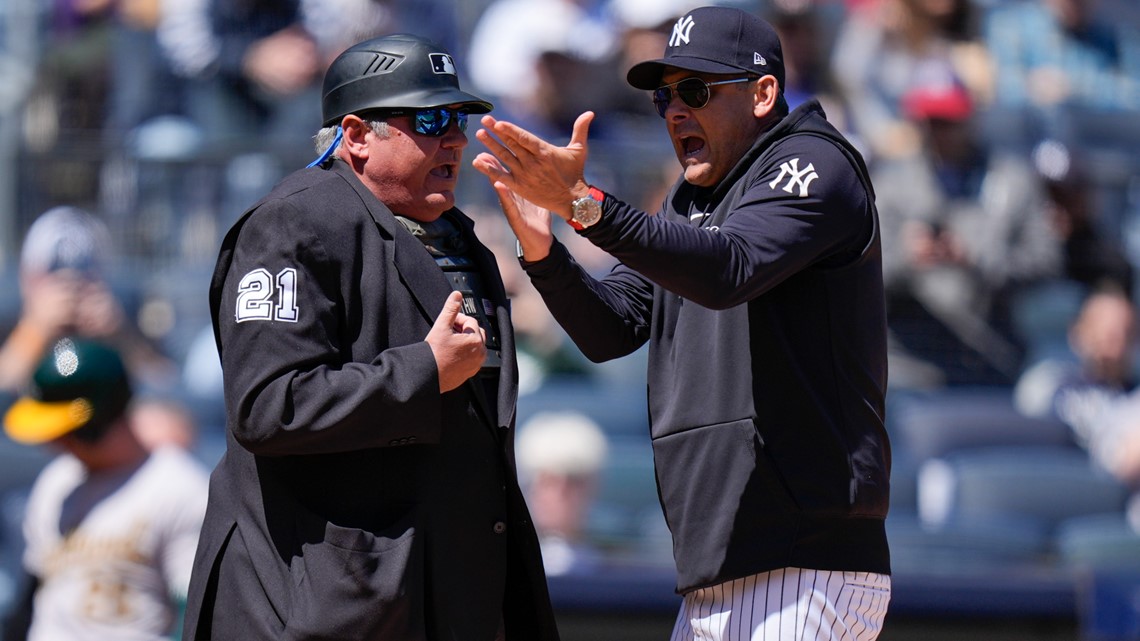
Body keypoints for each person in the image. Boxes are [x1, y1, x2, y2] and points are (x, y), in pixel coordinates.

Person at [473, 6, 892, 640]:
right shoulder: (691, 197)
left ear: (762, 93)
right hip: (722, 558)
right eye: (664, 95)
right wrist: (545, 252)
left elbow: (730, 269)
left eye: (695, 90)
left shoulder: (814, 163)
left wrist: (585, 204)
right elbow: (612, 328)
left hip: (804, 553)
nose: (673, 109)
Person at [181, 34, 559, 641]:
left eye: (458, 119)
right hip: (310, 605)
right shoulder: (294, 223)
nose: (455, 139)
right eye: (430, 119)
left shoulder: (456, 235)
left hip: (432, 598)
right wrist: (422, 370)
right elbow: (267, 406)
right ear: (356, 135)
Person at [0, 337, 209, 641]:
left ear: (95, 423)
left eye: (63, 432)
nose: (53, 443)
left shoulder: (180, 487)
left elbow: (195, 613)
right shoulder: (57, 480)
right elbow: (30, 600)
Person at [516, 410, 609, 576]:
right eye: (548, 480)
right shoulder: (506, 561)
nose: (561, 492)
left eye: (573, 480)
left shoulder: (620, 564)